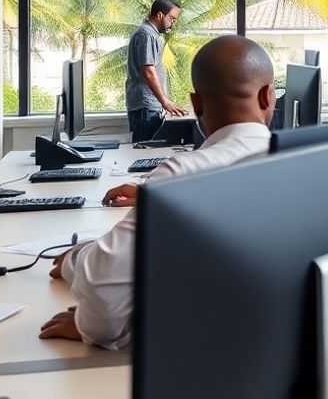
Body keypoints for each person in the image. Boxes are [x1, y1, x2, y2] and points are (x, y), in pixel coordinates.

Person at [38, 35, 277, 349]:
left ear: (196, 105)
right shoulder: (307, 164)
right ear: (267, 96)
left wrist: (81, 300)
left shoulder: (181, 176)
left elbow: (105, 298)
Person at [126, 0, 186, 143]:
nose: (172, 24)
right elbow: (148, 72)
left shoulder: (150, 34)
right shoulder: (147, 35)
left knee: (148, 152)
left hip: (149, 104)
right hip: (146, 105)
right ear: (160, 15)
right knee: (144, 152)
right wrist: (165, 102)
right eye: (172, 18)